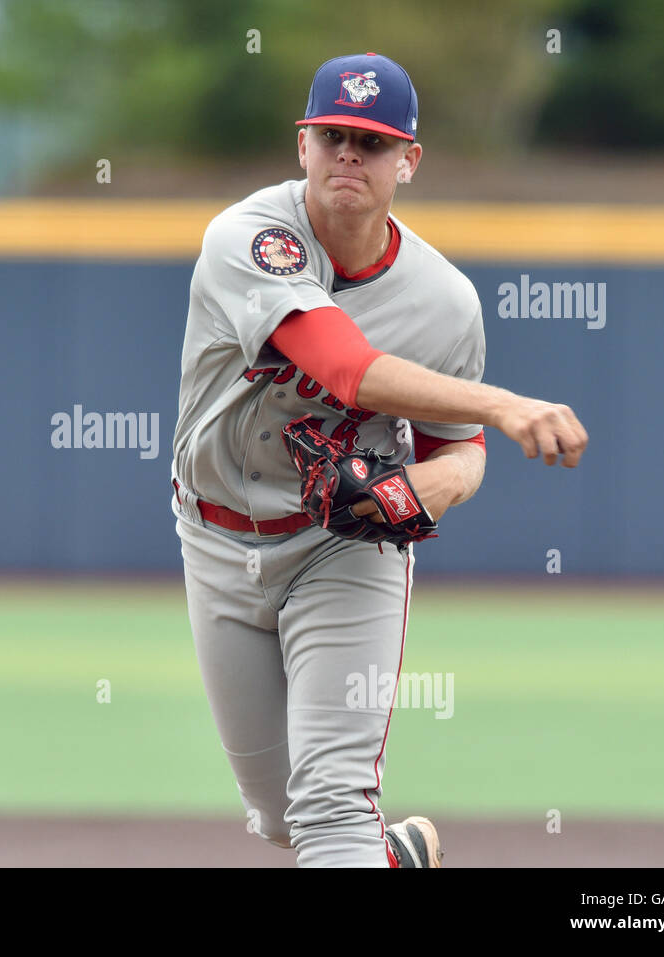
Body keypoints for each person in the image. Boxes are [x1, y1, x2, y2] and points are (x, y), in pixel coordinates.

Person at [170, 52, 588, 867]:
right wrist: (506, 404)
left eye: (373, 141)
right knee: (279, 816)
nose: (349, 156)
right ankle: (391, 859)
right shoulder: (247, 237)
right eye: (333, 136)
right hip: (215, 539)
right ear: (303, 145)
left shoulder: (444, 301)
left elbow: (459, 454)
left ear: (410, 161)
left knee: (329, 807)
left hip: (346, 548)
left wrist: (437, 482)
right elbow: (343, 367)